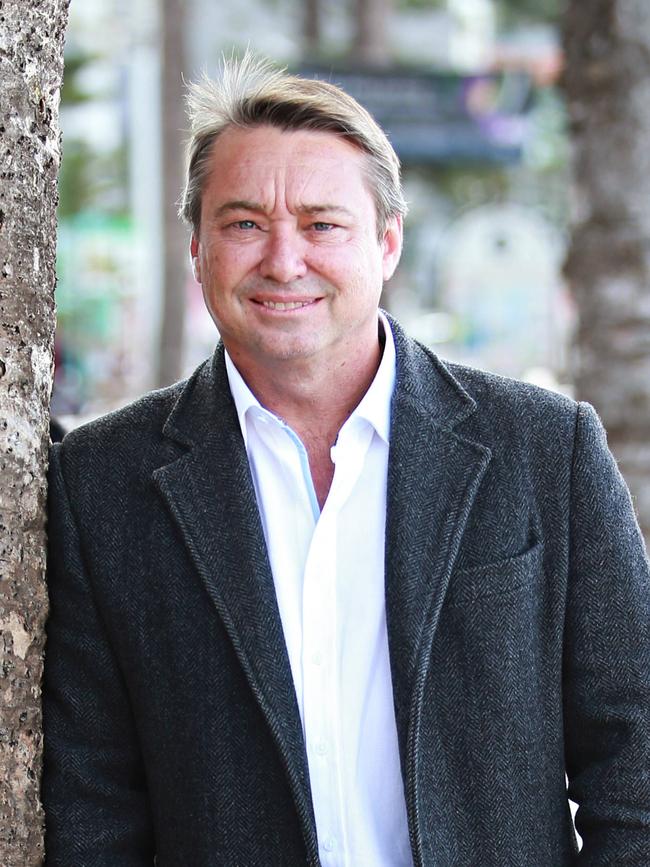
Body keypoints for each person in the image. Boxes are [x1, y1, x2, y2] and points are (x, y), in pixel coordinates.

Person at [43, 55, 650, 867]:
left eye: (323, 223)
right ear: (197, 247)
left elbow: (636, 757)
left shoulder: (545, 450)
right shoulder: (100, 482)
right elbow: (91, 808)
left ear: (388, 242)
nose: (284, 260)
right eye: (244, 223)